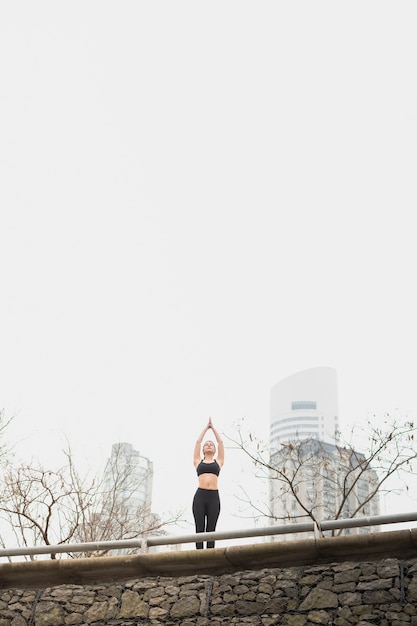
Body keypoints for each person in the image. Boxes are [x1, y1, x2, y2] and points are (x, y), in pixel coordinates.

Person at [192, 417, 224, 549]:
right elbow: (198, 441)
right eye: (207, 444)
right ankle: (198, 556)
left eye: (211, 444)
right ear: (203, 450)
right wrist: (206, 427)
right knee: (200, 529)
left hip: (213, 497)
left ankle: (210, 555)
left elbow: (220, 442)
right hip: (200, 497)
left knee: (211, 529)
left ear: (215, 450)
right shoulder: (198, 461)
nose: (209, 445)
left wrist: (213, 428)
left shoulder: (219, 461)